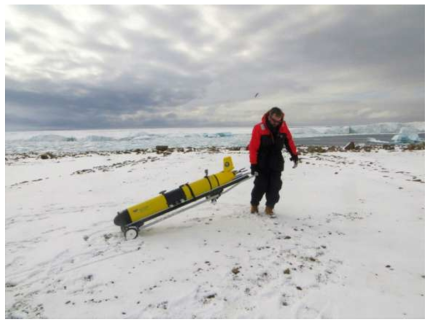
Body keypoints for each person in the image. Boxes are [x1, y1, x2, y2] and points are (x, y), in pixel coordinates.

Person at [248, 107, 299, 216]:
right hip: (262, 162)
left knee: (275, 186)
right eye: (273, 120)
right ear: (269, 116)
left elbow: (289, 141)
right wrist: (253, 164)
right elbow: (253, 147)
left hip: (276, 162)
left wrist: (294, 155)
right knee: (260, 185)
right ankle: (254, 205)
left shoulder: (283, 127)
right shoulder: (259, 128)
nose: (275, 123)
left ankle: (269, 207)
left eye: (278, 121)